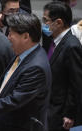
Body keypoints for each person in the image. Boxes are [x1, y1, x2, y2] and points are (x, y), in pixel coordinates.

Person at [42, 1, 82, 130]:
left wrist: (69, 114)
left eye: (46, 20)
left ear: (58, 22)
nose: (44, 24)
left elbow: (76, 84)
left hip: (60, 112)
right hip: (50, 105)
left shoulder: (72, 46)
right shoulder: (54, 41)